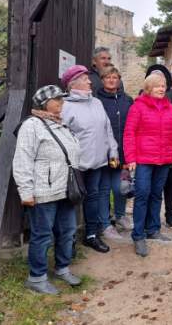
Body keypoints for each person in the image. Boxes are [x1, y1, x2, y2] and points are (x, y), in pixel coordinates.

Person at [13, 85, 81, 294]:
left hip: (65, 190)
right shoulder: (32, 125)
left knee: (67, 231)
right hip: (43, 191)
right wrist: (26, 192)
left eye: (62, 99)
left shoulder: (61, 125)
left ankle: (62, 267)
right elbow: (22, 159)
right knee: (42, 235)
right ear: (44, 103)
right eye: (57, 99)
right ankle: (37, 277)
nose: (62, 103)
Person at [124, 73, 172, 256]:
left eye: (163, 85)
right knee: (142, 195)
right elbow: (129, 134)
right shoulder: (137, 107)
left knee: (157, 194)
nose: (161, 88)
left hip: (164, 159)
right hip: (143, 160)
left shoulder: (171, 109)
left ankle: (153, 229)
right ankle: (138, 235)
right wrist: (131, 158)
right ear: (149, 88)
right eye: (157, 86)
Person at [61, 64, 119, 253]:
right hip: (75, 165)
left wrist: (113, 151)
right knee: (70, 199)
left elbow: (107, 129)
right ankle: (67, 240)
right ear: (74, 84)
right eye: (86, 79)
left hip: (97, 162)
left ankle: (91, 235)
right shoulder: (65, 106)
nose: (89, 81)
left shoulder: (96, 102)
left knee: (93, 198)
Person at [145, 64, 172, 229]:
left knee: (170, 184)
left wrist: (170, 129)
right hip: (151, 148)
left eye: (161, 76)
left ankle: (170, 215)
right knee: (151, 186)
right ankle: (151, 218)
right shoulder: (143, 96)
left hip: (170, 145)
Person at [95, 66, 134, 238]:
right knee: (104, 188)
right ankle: (105, 223)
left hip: (123, 152)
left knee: (121, 188)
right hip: (105, 152)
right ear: (102, 80)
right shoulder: (96, 100)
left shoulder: (127, 100)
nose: (112, 80)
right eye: (108, 77)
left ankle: (120, 216)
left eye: (115, 77)